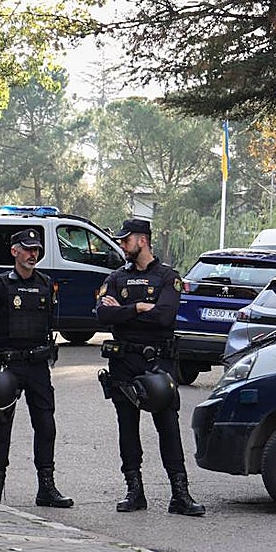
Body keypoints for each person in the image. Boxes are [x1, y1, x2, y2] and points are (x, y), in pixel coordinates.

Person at [95, 218, 205, 517]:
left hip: (158, 362)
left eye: (125, 240)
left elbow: (164, 317)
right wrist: (138, 308)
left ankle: (180, 494)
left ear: (142, 240)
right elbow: (102, 316)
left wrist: (123, 312)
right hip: (124, 362)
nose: (121, 245)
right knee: (127, 427)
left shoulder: (168, 277)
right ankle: (134, 491)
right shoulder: (116, 278)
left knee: (168, 427)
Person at [0, 228, 73, 508]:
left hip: (38, 366)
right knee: (2, 425)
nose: (33, 254)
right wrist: (0, 352)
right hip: (9, 364)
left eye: (36, 250)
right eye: (27, 249)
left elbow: (49, 323)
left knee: (45, 425)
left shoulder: (45, 284)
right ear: (14, 252)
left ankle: (46, 487)